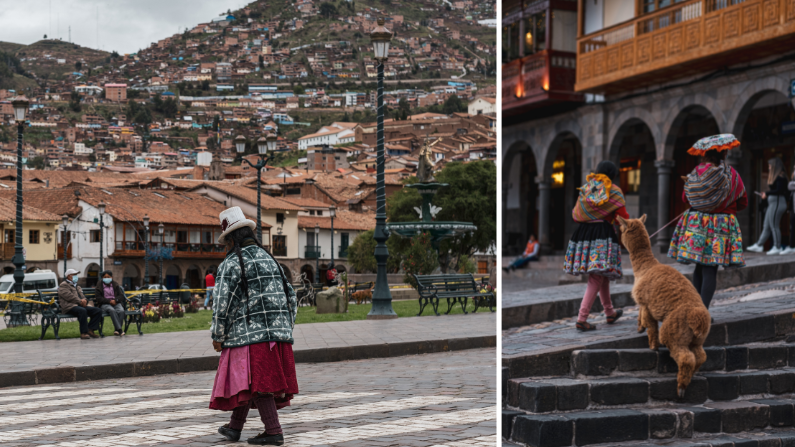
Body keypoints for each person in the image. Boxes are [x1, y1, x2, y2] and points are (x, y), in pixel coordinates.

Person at [210, 207, 298, 446]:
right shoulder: (272, 260)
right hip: (278, 334)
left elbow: (221, 304)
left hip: (249, 337)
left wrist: (218, 335)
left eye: (225, 242)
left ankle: (274, 431)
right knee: (249, 382)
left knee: (259, 385)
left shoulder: (231, 263)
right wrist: (285, 327)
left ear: (230, 239)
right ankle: (234, 428)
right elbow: (292, 298)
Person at [668, 134, 747, 309]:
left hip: (696, 222)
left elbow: (685, 197)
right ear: (724, 153)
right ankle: (701, 313)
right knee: (710, 268)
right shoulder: (731, 173)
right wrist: (725, 207)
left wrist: (703, 205)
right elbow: (743, 201)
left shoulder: (695, 172)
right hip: (721, 225)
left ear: (704, 154)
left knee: (699, 265)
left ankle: (695, 309)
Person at [564, 160, 626, 331]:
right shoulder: (614, 191)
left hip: (584, 234)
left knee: (602, 274)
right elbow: (622, 217)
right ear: (613, 176)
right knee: (597, 276)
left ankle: (609, 312)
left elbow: (576, 214)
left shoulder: (587, 188)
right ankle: (582, 318)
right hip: (601, 234)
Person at [747, 157, 788, 255]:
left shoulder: (781, 177)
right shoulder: (777, 177)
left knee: (774, 225)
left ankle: (777, 246)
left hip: (777, 203)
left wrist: (767, 193)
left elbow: (779, 191)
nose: (769, 168)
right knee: (766, 225)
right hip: (773, 203)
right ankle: (759, 245)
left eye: (770, 166)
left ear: (775, 166)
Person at [58, 269, 102, 340]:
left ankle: (90, 329)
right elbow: (68, 296)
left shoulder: (77, 286)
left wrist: (85, 300)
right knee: (82, 311)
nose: (76, 276)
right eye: (74, 275)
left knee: (98, 310)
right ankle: (83, 333)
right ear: (69, 276)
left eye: (76, 275)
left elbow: (83, 296)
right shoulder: (64, 285)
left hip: (79, 305)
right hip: (69, 307)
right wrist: (80, 301)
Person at [93, 270, 126, 336]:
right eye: (105, 277)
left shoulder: (115, 284)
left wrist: (115, 300)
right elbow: (98, 298)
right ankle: (119, 329)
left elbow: (121, 295)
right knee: (112, 310)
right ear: (102, 277)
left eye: (108, 277)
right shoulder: (99, 285)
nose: (106, 278)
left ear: (112, 277)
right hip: (105, 304)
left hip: (115, 302)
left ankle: (116, 330)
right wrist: (109, 301)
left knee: (121, 311)